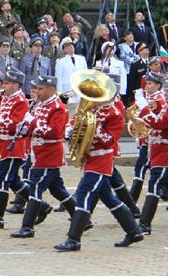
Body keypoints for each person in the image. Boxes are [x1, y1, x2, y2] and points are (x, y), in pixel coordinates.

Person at [54, 75, 144, 251]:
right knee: (109, 199)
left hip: (101, 160)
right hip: (91, 159)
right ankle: (133, 231)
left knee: (83, 194)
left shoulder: (115, 114)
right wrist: (71, 130)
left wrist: (94, 129)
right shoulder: (93, 108)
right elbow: (77, 122)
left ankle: (74, 239)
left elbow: (109, 140)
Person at [10, 75, 75, 238]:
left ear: (51, 89)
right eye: (36, 88)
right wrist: (24, 129)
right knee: (57, 190)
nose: (37, 92)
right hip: (39, 154)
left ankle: (27, 227)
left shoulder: (58, 107)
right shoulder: (39, 105)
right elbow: (35, 127)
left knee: (35, 189)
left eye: (40, 88)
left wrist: (32, 124)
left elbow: (54, 132)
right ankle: (82, 218)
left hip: (49, 155)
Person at [0, 67, 31, 229]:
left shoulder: (20, 101)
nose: (4, 86)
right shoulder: (5, 98)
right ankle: (38, 205)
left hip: (14, 145)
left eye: (8, 83)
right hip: (2, 143)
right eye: (4, 83)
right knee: (11, 180)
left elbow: (14, 125)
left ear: (17, 85)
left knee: (3, 181)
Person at [134, 73, 168, 234]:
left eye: (151, 83)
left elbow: (160, 123)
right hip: (155, 149)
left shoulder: (162, 101)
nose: (147, 86)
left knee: (154, 185)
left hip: (164, 150)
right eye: (146, 83)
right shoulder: (158, 101)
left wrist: (144, 107)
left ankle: (144, 223)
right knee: (156, 184)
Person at [55, 37, 88, 104]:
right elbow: (58, 79)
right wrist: (61, 95)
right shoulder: (60, 62)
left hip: (81, 93)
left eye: (71, 45)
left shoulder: (82, 59)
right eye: (67, 45)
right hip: (68, 92)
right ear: (64, 49)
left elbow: (86, 76)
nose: (70, 46)